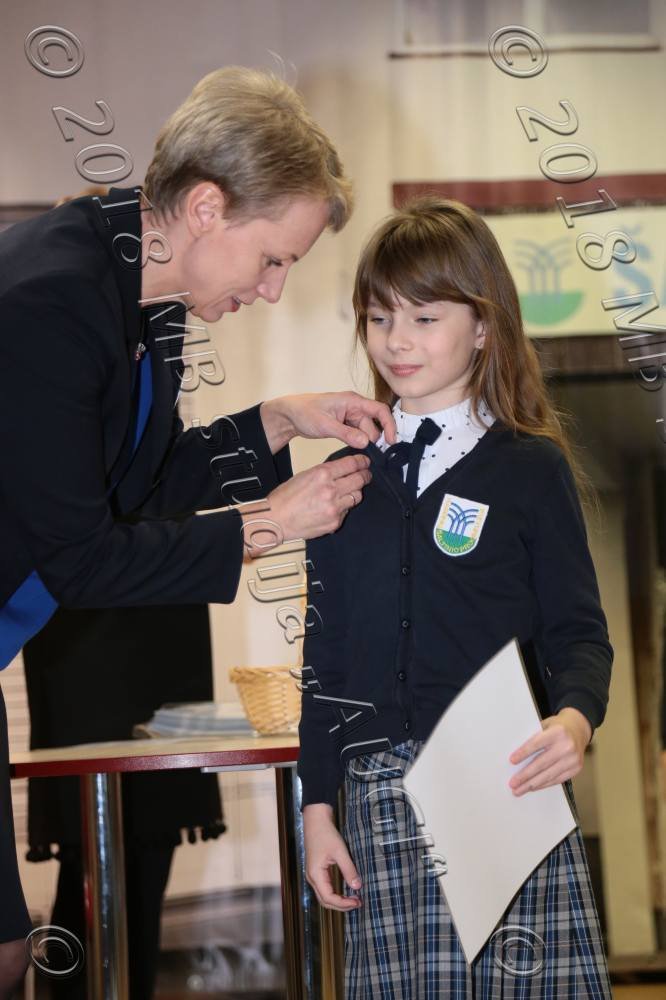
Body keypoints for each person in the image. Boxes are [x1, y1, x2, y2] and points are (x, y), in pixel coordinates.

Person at [0, 67, 397, 998]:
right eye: (274, 259)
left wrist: (280, 421)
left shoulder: (142, 298)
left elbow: (139, 487)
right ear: (209, 208)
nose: (274, 289)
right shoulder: (51, 301)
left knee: (9, 952)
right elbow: (84, 558)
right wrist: (270, 523)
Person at [298, 197, 614, 998]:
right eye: (378, 318)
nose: (396, 341)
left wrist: (575, 719)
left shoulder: (529, 468)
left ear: (482, 326)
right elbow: (324, 656)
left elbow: (579, 632)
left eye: (425, 317)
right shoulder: (342, 477)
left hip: (503, 789)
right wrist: (318, 807)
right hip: (378, 800)